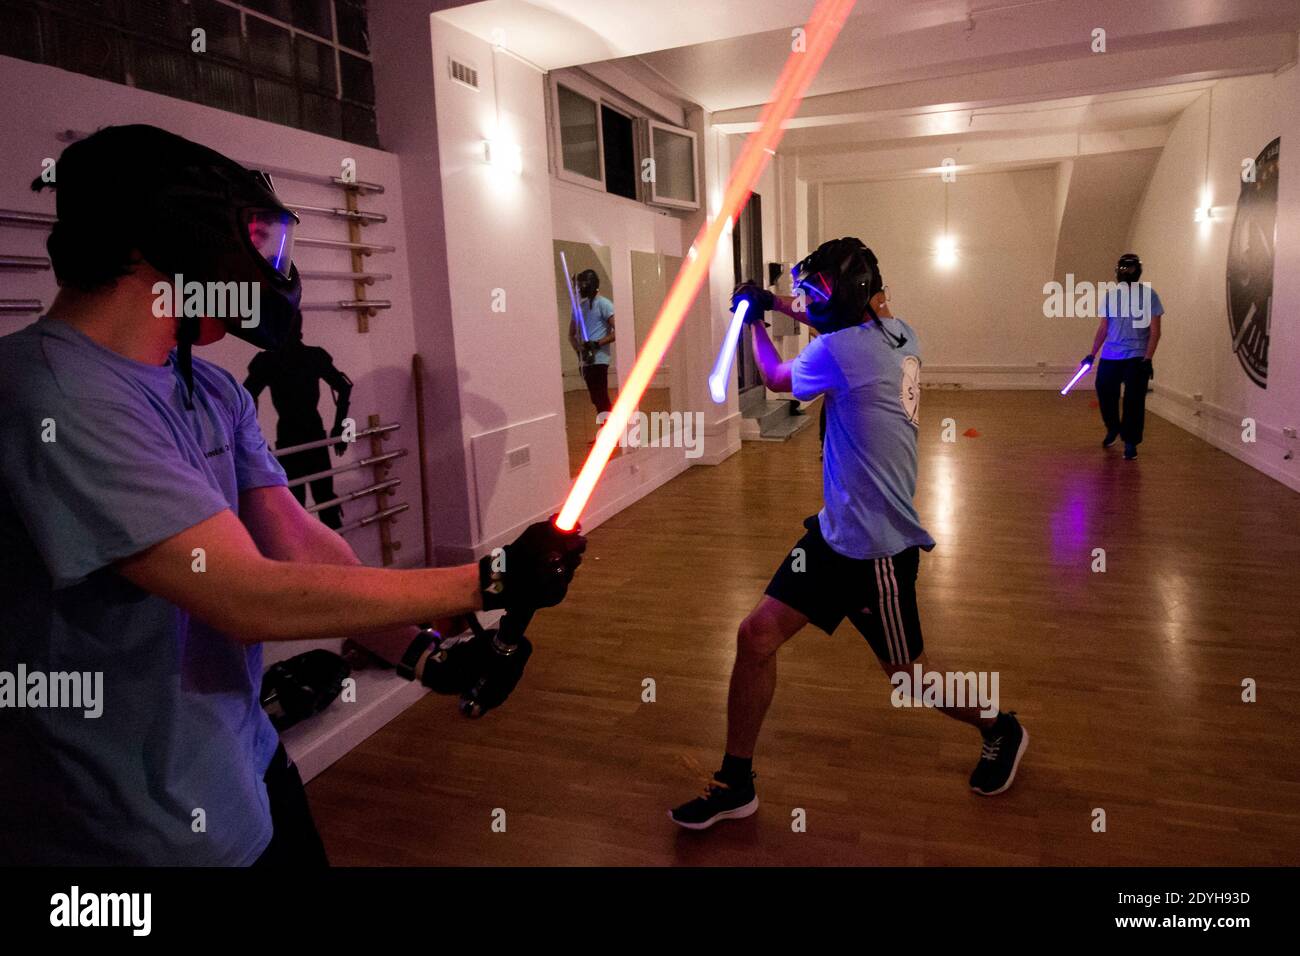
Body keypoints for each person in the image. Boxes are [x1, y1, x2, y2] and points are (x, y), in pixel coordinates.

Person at [0, 125, 586, 866]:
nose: (271, 269)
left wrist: (424, 656)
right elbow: (248, 598)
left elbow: (300, 544)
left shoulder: (206, 387)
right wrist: (491, 578)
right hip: (129, 831)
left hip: (242, 768)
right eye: (257, 243)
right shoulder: (52, 398)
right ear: (173, 243)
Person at [671, 237, 1027, 830]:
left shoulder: (841, 354)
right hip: (832, 537)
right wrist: (780, 302)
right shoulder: (899, 333)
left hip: (876, 551)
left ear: (848, 297)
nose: (807, 300)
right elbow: (830, 318)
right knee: (755, 636)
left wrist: (758, 318)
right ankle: (736, 782)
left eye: (816, 292)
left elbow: (777, 377)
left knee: (910, 678)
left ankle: (1000, 725)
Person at [244, 327, 353, 529]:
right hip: (302, 433)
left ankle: (333, 557)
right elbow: (246, 397)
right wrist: (341, 430)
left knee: (311, 503)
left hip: (300, 433)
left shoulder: (274, 360)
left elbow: (246, 397)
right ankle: (330, 557)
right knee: (304, 504)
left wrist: (343, 430)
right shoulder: (293, 358)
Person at [1083, 253, 1164, 460]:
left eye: (1129, 270)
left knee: (1133, 401)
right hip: (1111, 355)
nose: (1126, 273)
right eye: (1124, 270)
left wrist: (1148, 358)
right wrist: (1092, 354)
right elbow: (1104, 327)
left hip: (1137, 356)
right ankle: (1113, 428)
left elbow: (1155, 331)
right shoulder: (1111, 296)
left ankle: (1130, 442)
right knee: (1105, 391)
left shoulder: (1150, 296)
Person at [567, 269, 615, 418]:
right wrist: (580, 351)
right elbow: (571, 334)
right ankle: (605, 432)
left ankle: (611, 433)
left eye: (583, 284)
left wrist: (597, 343)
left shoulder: (604, 304)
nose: (580, 287)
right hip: (586, 361)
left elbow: (617, 330)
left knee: (601, 398)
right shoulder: (580, 307)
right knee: (596, 399)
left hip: (599, 360)